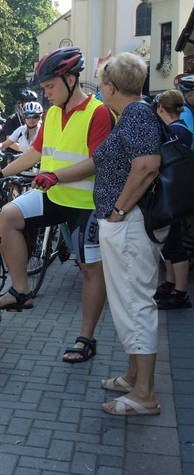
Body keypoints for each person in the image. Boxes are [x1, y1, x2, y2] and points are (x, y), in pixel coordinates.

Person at [0, 47, 113, 363]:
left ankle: (86, 338)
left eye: (49, 86)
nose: (45, 94)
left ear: (71, 80)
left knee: (88, 269)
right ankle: (22, 291)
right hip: (54, 195)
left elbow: (96, 162)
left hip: (85, 203)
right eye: (44, 87)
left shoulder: (98, 112)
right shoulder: (54, 113)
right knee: (6, 217)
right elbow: (34, 153)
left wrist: (55, 175)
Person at [91, 52, 164, 416]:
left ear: (111, 86)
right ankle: (135, 377)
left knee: (135, 304)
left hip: (128, 224)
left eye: (102, 82)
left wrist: (119, 209)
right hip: (126, 223)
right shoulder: (134, 114)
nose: (100, 88)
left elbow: (147, 165)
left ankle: (145, 395)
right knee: (128, 304)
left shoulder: (134, 114)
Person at [151, 90, 192, 310]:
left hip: (172, 196)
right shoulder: (182, 129)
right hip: (178, 193)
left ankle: (181, 293)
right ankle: (171, 282)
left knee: (175, 245)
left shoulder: (173, 131)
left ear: (161, 109)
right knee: (169, 243)